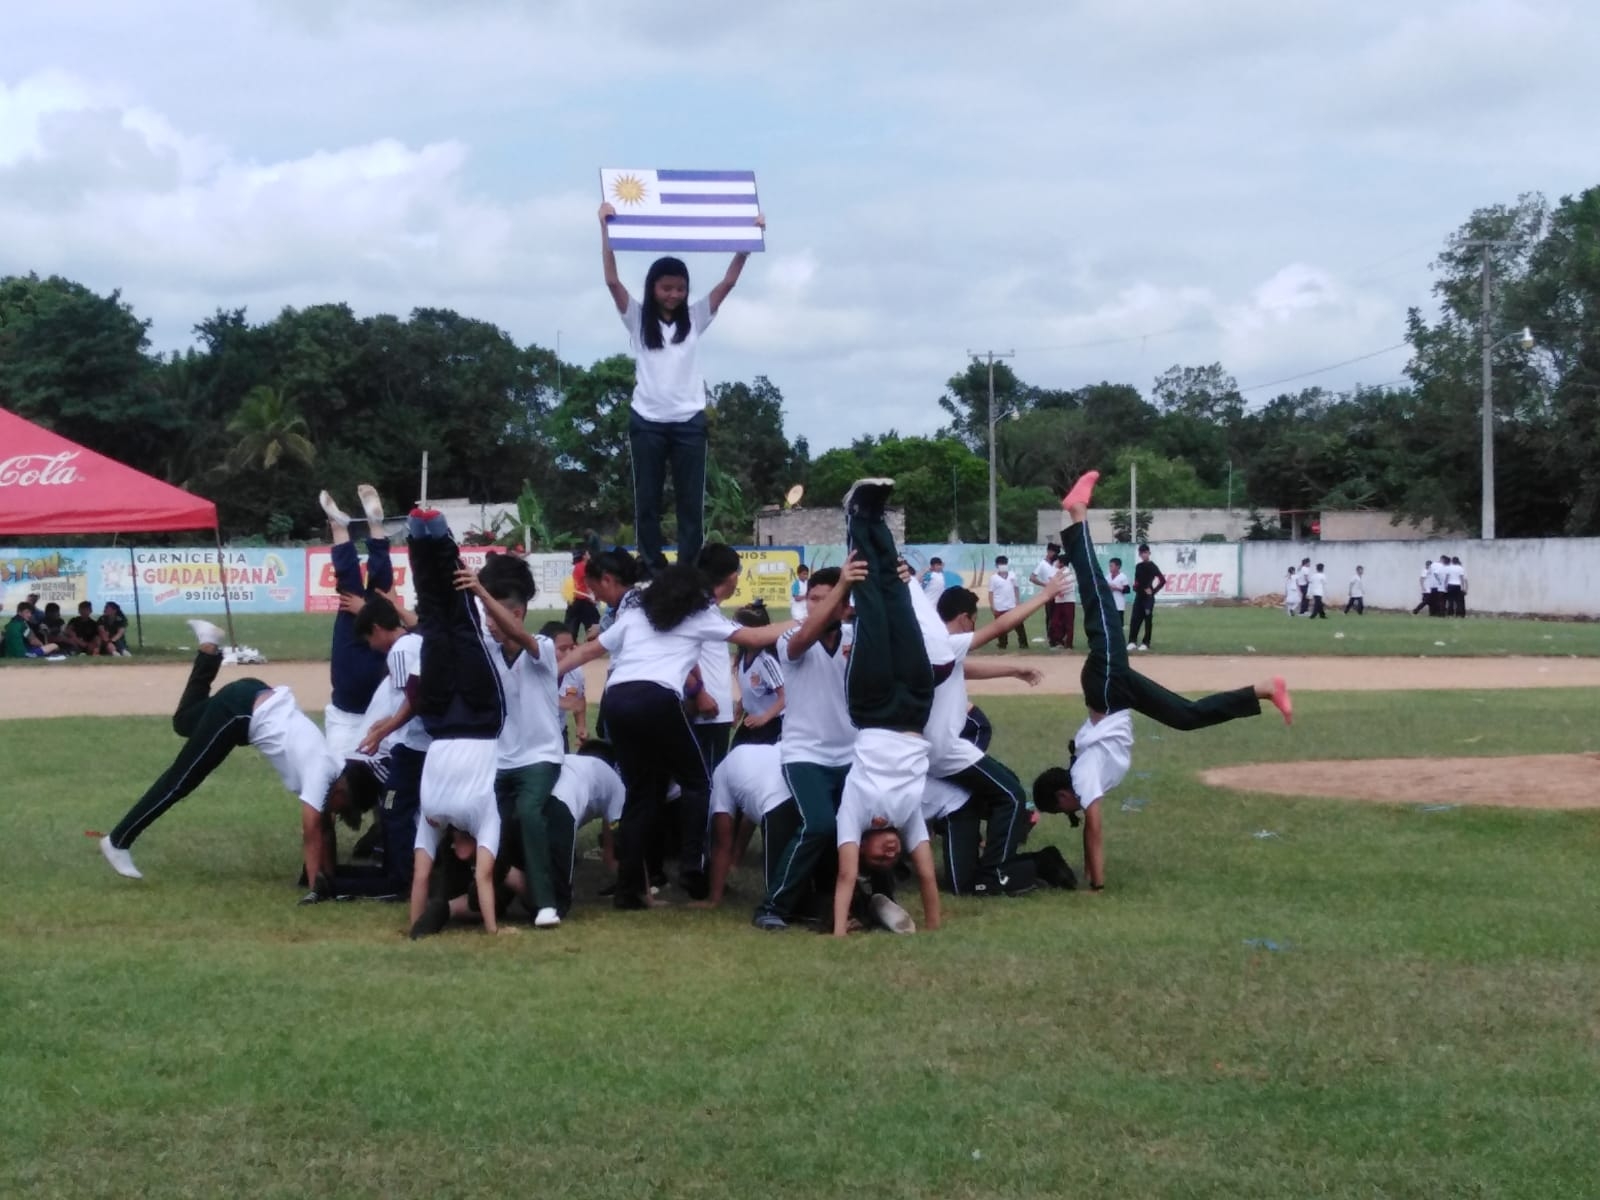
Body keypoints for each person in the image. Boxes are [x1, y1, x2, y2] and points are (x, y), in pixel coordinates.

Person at [1031, 473, 1293, 889]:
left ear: (1064, 796)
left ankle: (1077, 513)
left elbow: (1093, 829)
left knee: (1097, 596)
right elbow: (1086, 819)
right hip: (1116, 693)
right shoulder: (1081, 772)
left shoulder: (1082, 778)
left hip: (1107, 686)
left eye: (1065, 809)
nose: (1075, 810)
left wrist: (1096, 884)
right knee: (1185, 715)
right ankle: (1264, 689)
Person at [555, 557, 791, 909]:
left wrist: (548, 673)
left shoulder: (635, 616)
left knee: (639, 795)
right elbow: (756, 635)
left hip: (617, 700)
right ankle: (691, 863)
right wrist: (809, 621)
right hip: (658, 698)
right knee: (697, 782)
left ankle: (630, 890)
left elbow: (590, 650)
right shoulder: (697, 617)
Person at [98, 619, 370, 891]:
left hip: (253, 694)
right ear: (341, 792)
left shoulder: (335, 768)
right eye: (339, 809)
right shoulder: (322, 773)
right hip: (240, 712)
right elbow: (312, 830)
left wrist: (329, 875)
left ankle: (208, 647)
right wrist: (315, 890)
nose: (332, 813)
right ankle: (118, 840)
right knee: (180, 781)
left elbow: (323, 826)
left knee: (184, 722)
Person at [599, 201, 765, 573]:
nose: (673, 294)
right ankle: (653, 564)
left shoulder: (697, 316)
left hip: (689, 420)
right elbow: (612, 280)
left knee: (691, 500)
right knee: (648, 498)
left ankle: (689, 566)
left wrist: (748, 241)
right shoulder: (637, 319)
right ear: (653, 288)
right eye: (666, 288)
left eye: (680, 288)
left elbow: (728, 283)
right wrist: (605, 228)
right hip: (647, 420)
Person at [830, 478, 942, 937]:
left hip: (874, 709)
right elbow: (929, 877)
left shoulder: (852, 813)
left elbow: (842, 878)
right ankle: (878, 516)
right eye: (893, 857)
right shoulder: (907, 815)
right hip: (915, 709)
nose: (891, 851)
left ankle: (857, 516)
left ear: (864, 845)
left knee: (872, 607)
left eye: (880, 855)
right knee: (899, 602)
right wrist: (934, 926)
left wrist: (838, 934)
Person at [404, 508, 511, 937]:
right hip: (481, 718)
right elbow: (484, 878)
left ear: (454, 847)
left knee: (436, 625)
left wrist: (415, 925)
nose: (472, 858)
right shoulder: (485, 819)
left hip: (441, 720)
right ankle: (434, 535)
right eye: (473, 856)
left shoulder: (432, 822)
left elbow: (420, 878)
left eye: (464, 857)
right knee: (459, 626)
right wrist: (494, 930)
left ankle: (421, 536)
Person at [923, 579, 1064, 895]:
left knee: (992, 792)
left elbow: (963, 669)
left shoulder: (936, 646)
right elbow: (1002, 626)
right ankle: (996, 869)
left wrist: (1012, 671)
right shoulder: (945, 641)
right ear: (964, 618)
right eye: (973, 622)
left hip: (936, 748)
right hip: (946, 749)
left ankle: (985, 866)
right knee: (1011, 794)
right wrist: (1045, 596)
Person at [458, 553, 566, 930]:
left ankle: (547, 904)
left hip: (540, 757)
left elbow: (519, 636)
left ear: (517, 613)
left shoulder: (542, 648)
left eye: (496, 614)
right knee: (485, 817)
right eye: (486, 615)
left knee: (527, 812)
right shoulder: (487, 650)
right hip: (499, 759)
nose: (490, 623)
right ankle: (490, 892)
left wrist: (482, 593)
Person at [751, 565, 858, 931]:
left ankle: (849, 901)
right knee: (820, 824)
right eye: (812, 599)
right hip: (804, 755)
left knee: (857, 829)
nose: (816, 607)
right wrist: (842, 584)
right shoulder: (790, 639)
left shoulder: (854, 639)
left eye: (826, 600)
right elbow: (801, 642)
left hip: (850, 756)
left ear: (845, 607)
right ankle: (774, 905)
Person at [318, 486, 394, 760]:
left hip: (352, 702)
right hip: (373, 693)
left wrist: (367, 611)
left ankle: (353, 526)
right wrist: (370, 612)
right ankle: (354, 526)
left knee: (358, 594)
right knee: (370, 593)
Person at [542, 744, 627, 917]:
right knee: (558, 901)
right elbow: (614, 852)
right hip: (563, 808)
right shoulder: (614, 782)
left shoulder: (571, 762)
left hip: (537, 797)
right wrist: (638, 885)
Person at [690, 543, 744, 782]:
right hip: (707, 712)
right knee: (707, 783)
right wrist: (700, 693)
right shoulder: (700, 610)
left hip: (711, 710)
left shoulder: (704, 608)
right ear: (732, 577)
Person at [730, 601, 785, 747]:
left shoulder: (766, 661)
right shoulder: (742, 656)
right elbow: (750, 690)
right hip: (751, 721)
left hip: (772, 724)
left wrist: (763, 718)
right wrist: (738, 711)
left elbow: (785, 696)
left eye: (737, 629)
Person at [544, 621, 589, 749]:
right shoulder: (530, 669)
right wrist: (561, 702)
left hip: (559, 732)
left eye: (572, 648)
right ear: (544, 649)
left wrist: (581, 726)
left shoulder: (575, 672)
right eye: (563, 649)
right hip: (531, 734)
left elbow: (579, 700)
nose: (570, 654)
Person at [1127, 544, 1166, 651]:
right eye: (1142, 553)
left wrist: (1153, 591)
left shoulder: (1152, 566)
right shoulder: (1138, 566)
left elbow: (1162, 580)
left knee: (1147, 619)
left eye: (1146, 553)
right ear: (1140, 554)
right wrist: (1135, 587)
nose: (1144, 555)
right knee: (1135, 619)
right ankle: (1132, 641)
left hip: (1148, 598)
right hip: (1139, 595)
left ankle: (1146, 642)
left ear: (1149, 553)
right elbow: (1136, 581)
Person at [987, 556, 1025, 650]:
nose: (1003, 566)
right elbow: (991, 593)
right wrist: (992, 606)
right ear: (997, 565)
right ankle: (1002, 644)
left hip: (1012, 605)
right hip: (1000, 606)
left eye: (1004, 564)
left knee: (1018, 625)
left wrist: (1017, 600)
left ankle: (1023, 643)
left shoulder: (1012, 575)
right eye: (1001, 564)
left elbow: (1016, 588)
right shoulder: (993, 578)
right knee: (1001, 627)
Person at [565, 547, 601, 640]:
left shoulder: (577, 566)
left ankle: (571, 645)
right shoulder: (583, 566)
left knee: (572, 625)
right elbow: (587, 584)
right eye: (588, 554)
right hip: (583, 600)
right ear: (584, 556)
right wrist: (593, 597)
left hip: (576, 600)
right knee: (593, 623)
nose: (589, 555)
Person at [1030, 543, 1062, 647]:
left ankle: (1059, 638)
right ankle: (1051, 639)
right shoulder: (1042, 564)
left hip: (1060, 594)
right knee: (1051, 617)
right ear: (1049, 552)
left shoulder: (1057, 563)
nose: (1055, 555)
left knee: (1059, 617)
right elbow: (1032, 578)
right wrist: (1045, 584)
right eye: (1054, 553)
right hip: (1049, 594)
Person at [1047, 553, 1078, 649]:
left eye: (1058, 561)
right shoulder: (1057, 572)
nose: (1056, 563)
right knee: (1055, 622)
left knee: (1068, 622)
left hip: (1068, 601)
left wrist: (1061, 591)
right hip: (1058, 601)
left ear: (1061, 563)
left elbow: (1071, 586)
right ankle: (1059, 641)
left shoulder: (1070, 573)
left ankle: (1069, 644)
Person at [1106, 557, 1131, 632]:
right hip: (1109, 603)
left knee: (1119, 624)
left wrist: (1116, 588)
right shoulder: (1107, 577)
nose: (1110, 568)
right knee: (1109, 623)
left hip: (1119, 604)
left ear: (1118, 567)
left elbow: (1127, 590)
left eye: (1112, 566)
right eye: (1109, 566)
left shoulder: (1123, 577)